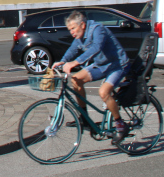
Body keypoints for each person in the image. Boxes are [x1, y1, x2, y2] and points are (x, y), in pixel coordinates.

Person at [54, 10, 131, 144]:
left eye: (73, 28)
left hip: (117, 65)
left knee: (103, 92)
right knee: (75, 80)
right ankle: (85, 119)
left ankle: (120, 124)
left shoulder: (97, 29)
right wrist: (63, 61)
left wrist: (75, 63)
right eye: (69, 29)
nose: (71, 32)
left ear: (82, 25)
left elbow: (96, 47)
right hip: (102, 65)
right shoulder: (79, 37)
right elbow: (73, 49)